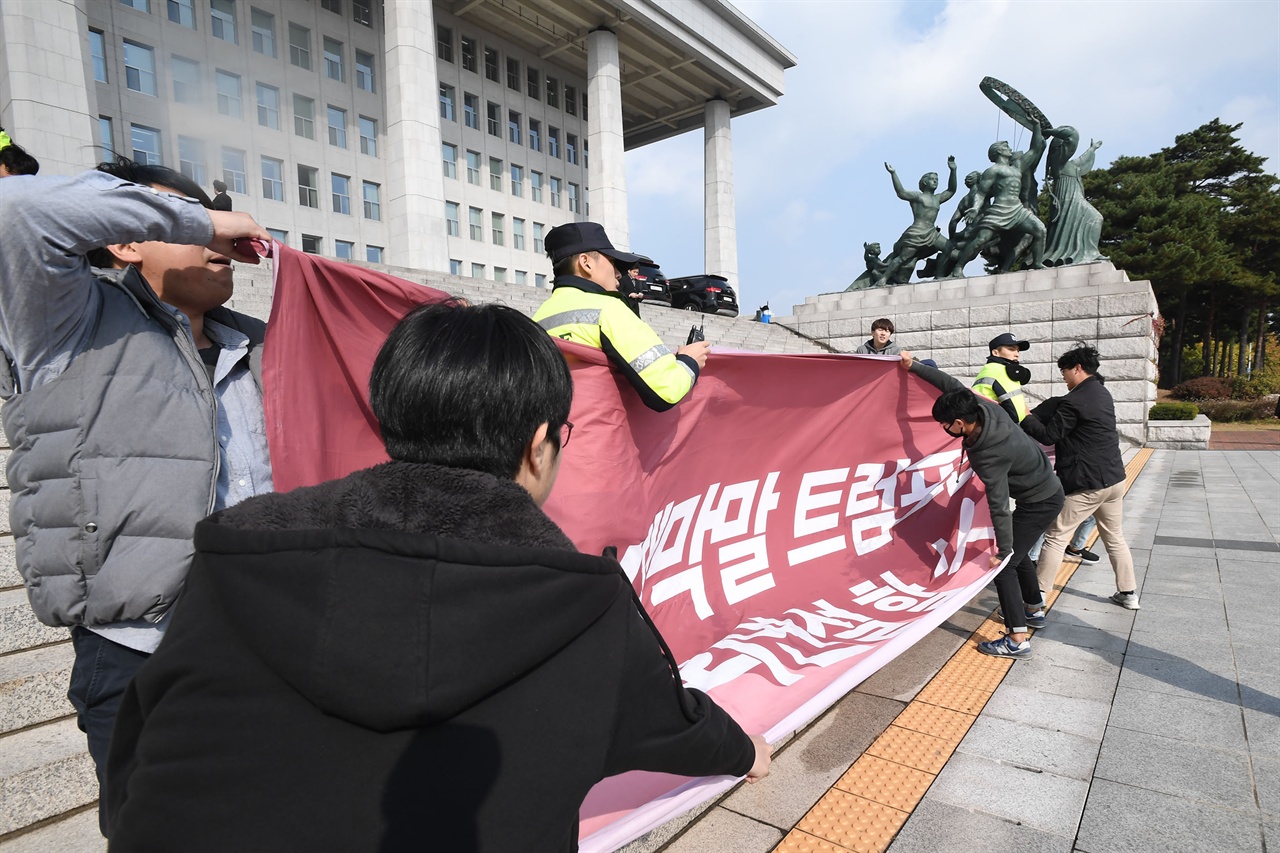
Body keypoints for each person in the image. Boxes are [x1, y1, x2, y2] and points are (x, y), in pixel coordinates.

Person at [105, 302, 772, 852]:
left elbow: (141, 737)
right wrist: (744, 749)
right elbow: (669, 722)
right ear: (540, 442)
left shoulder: (242, 546)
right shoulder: (580, 599)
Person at [0, 158, 272, 817]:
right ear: (124, 237)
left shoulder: (266, 345)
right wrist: (202, 218)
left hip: (267, 647)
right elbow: (16, 210)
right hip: (138, 658)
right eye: (175, 220)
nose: (215, 241)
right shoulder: (65, 323)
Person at [900, 351, 1064, 658]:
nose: (943, 429)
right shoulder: (984, 408)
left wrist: (1001, 552)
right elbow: (950, 385)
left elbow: (999, 504)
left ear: (960, 423)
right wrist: (915, 367)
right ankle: (1033, 609)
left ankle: (1017, 638)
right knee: (1020, 552)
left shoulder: (991, 454)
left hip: (1040, 500)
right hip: (1043, 490)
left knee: (1005, 565)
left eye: (945, 425)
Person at [533, 222, 709, 412]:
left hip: (553, 437)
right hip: (601, 438)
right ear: (586, 263)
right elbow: (667, 389)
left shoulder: (537, 319)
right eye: (612, 262)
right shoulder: (607, 309)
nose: (618, 274)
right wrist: (689, 360)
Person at [1021, 344, 1139, 609]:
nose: (1063, 376)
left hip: (1087, 483)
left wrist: (1026, 416)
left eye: (1064, 371)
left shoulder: (1075, 400)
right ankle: (1129, 593)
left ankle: (1035, 600)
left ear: (1077, 368)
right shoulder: (1102, 393)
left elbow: (1049, 435)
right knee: (1115, 537)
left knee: (1055, 536)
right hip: (1114, 479)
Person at [946, 124, 1050, 276]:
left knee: (1040, 230)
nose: (1010, 149)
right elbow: (981, 193)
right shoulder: (993, 170)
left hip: (1018, 210)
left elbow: (1034, 149)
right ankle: (958, 267)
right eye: (1006, 147)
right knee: (980, 240)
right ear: (998, 151)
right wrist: (975, 208)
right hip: (998, 211)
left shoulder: (1018, 166)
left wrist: (1036, 126)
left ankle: (1037, 262)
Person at [875, 157, 958, 286]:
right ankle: (883, 279)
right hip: (917, 232)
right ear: (924, 183)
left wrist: (953, 170)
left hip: (931, 232)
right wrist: (893, 173)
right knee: (903, 258)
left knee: (948, 248)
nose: (935, 182)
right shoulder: (917, 196)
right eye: (932, 179)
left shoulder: (937, 198)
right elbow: (901, 192)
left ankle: (939, 276)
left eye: (937, 180)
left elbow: (951, 190)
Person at [974, 332, 1032, 421]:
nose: (1017, 354)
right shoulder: (1003, 371)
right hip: (999, 428)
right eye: (1011, 349)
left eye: (1018, 350)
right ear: (995, 352)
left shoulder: (987, 369)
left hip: (984, 423)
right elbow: (1017, 414)